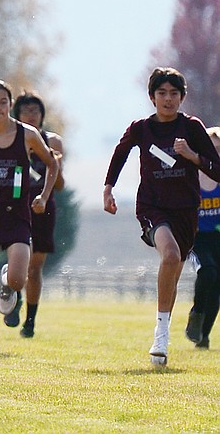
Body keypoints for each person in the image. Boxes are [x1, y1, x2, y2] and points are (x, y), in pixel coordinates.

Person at [103, 67, 220, 365]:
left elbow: (216, 168)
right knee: (169, 257)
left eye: (173, 93)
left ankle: (165, 329)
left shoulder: (192, 128)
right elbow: (120, 153)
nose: (168, 99)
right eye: (161, 93)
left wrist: (192, 156)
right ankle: (161, 335)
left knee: (175, 269)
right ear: (152, 97)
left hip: (185, 211)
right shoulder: (142, 128)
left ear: (182, 97)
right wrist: (108, 188)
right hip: (153, 208)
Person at [0, 81, 58, 353]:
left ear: (10, 105)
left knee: (20, 278)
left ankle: (9, 279)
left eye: (3, 102)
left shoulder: (27, 135)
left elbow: (52, 163)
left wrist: (43, 196)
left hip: (17, 213)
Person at [12, 91, 66, 338]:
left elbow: (60, 185)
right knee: (17, 261)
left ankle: (30, 321)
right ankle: (13, 293)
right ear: (17, 115)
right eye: (26, 111)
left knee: (35, 268)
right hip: (15, 206)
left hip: (43, 207)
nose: (31, 116)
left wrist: (55, 164)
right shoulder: (11, 139)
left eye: (35, 111)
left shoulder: (52, 142)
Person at [185, 128, 220, 348]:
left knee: (217, 285)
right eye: (211, 149)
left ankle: (203, 335)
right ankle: (197, 312)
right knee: (208, 272)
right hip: (197, 238)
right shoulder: (190, 176)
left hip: (218, 237)